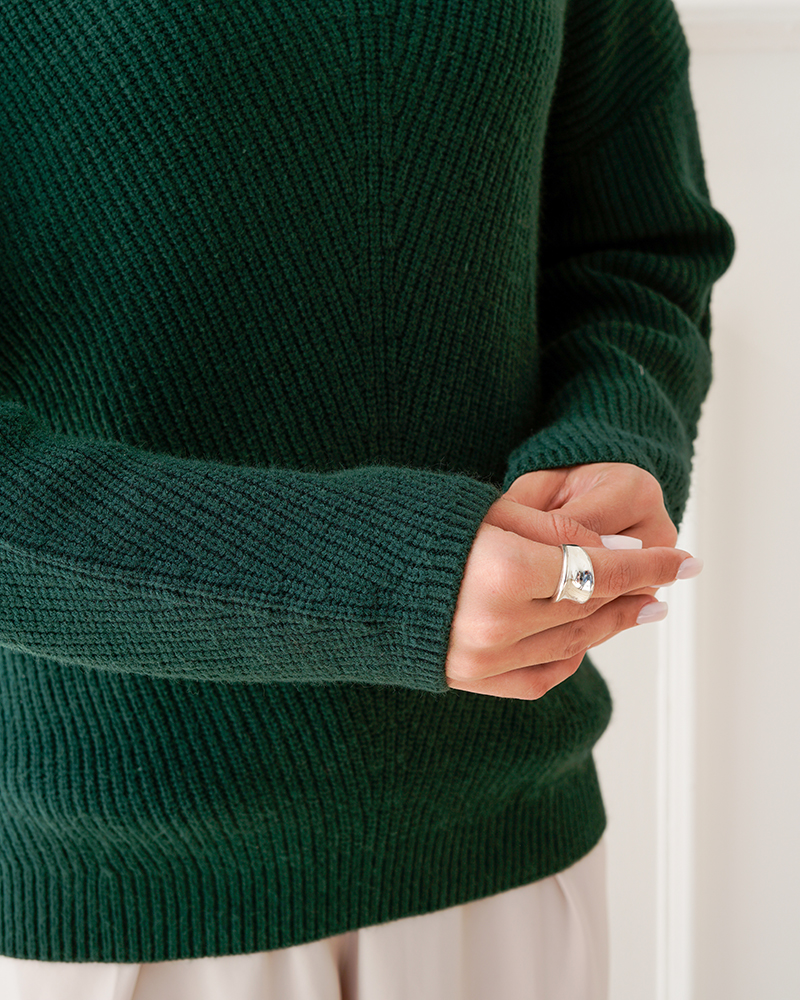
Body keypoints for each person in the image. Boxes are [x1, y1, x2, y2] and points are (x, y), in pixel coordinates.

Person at [0, 0, 733, 997]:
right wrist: (384, 585)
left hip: (510, 849)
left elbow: (634, 247)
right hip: (100, 895)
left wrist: (604, 454)